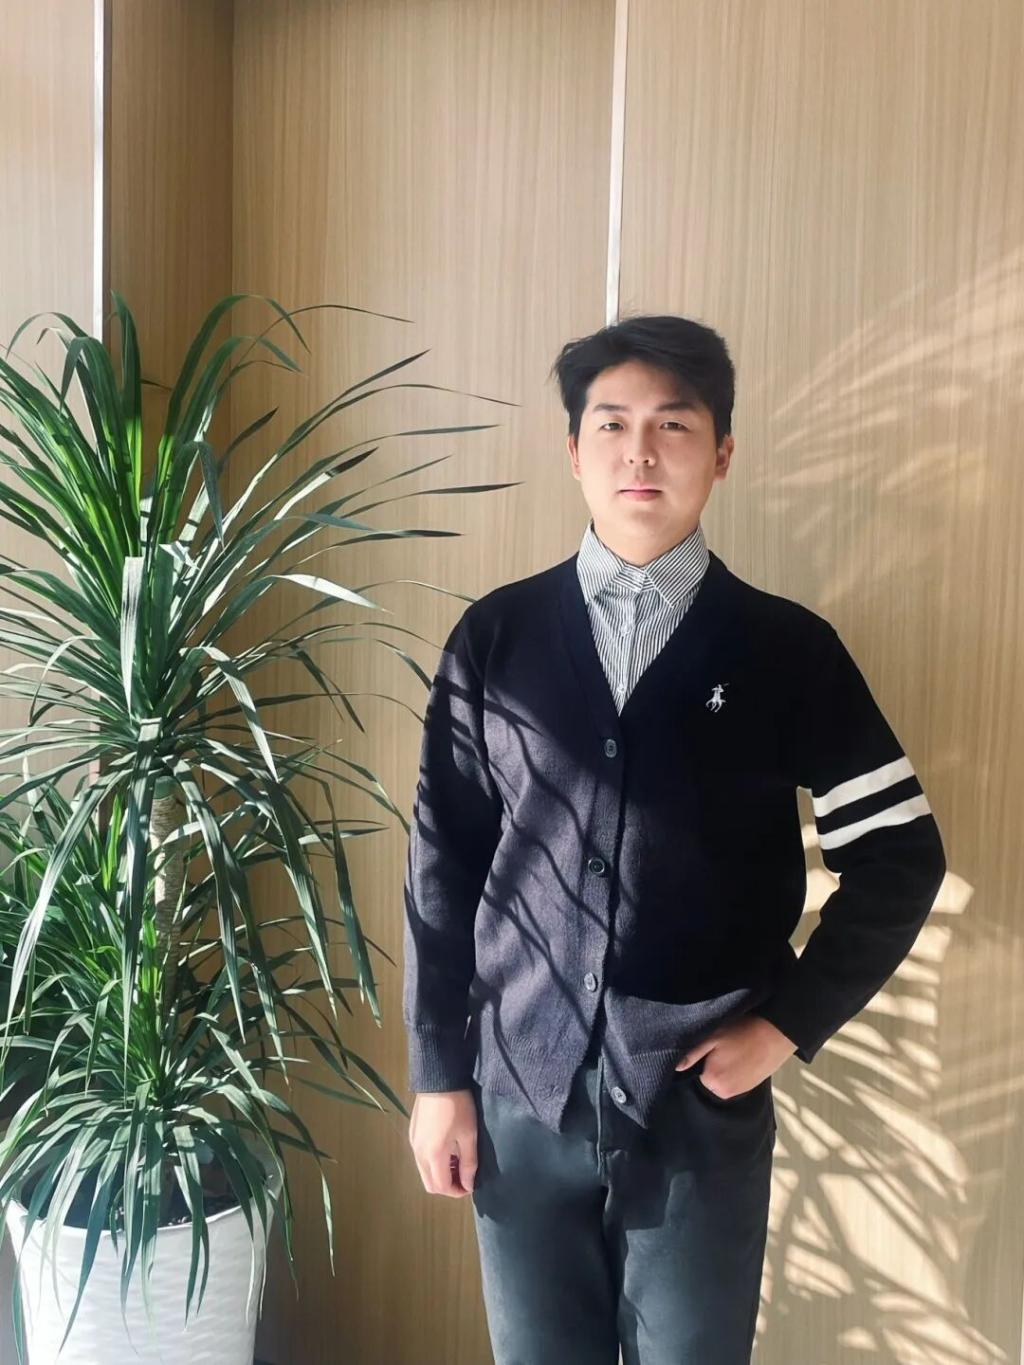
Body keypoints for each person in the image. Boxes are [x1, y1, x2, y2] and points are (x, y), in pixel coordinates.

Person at [402, 314, 946, 1364]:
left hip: (698, 1108)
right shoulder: (497, 638)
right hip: (519, 1101)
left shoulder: (788, 651)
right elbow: (443, 866)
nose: (639, 452)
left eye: (673, 424)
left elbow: (898, 853)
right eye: (611, 424)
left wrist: (786, 1024)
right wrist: (438, 1076)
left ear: (722, 452)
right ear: (574, 450)